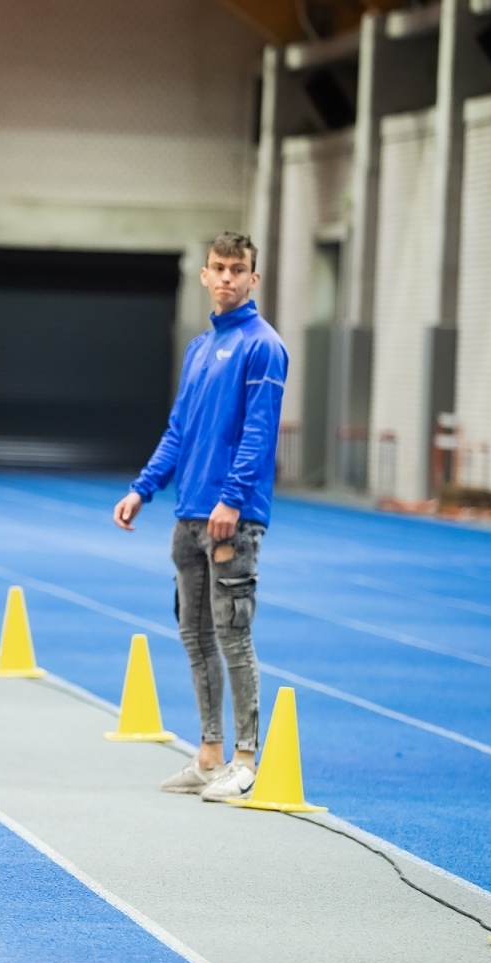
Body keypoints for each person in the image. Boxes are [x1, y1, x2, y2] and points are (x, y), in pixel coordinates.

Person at [112, 232, 288, 803]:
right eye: (219, 268)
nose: (228, 277)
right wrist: (144, 489)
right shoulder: (198, 349)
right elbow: (179, 431)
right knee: (195, 635)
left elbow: (259, 433)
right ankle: (209, 752)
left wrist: (232, 498)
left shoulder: (263, 347)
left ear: (253, 279)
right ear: (206, 276)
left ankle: (245, 756)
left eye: (239, 269)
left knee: (233, 635)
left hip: (230, 518)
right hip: (188, 512)